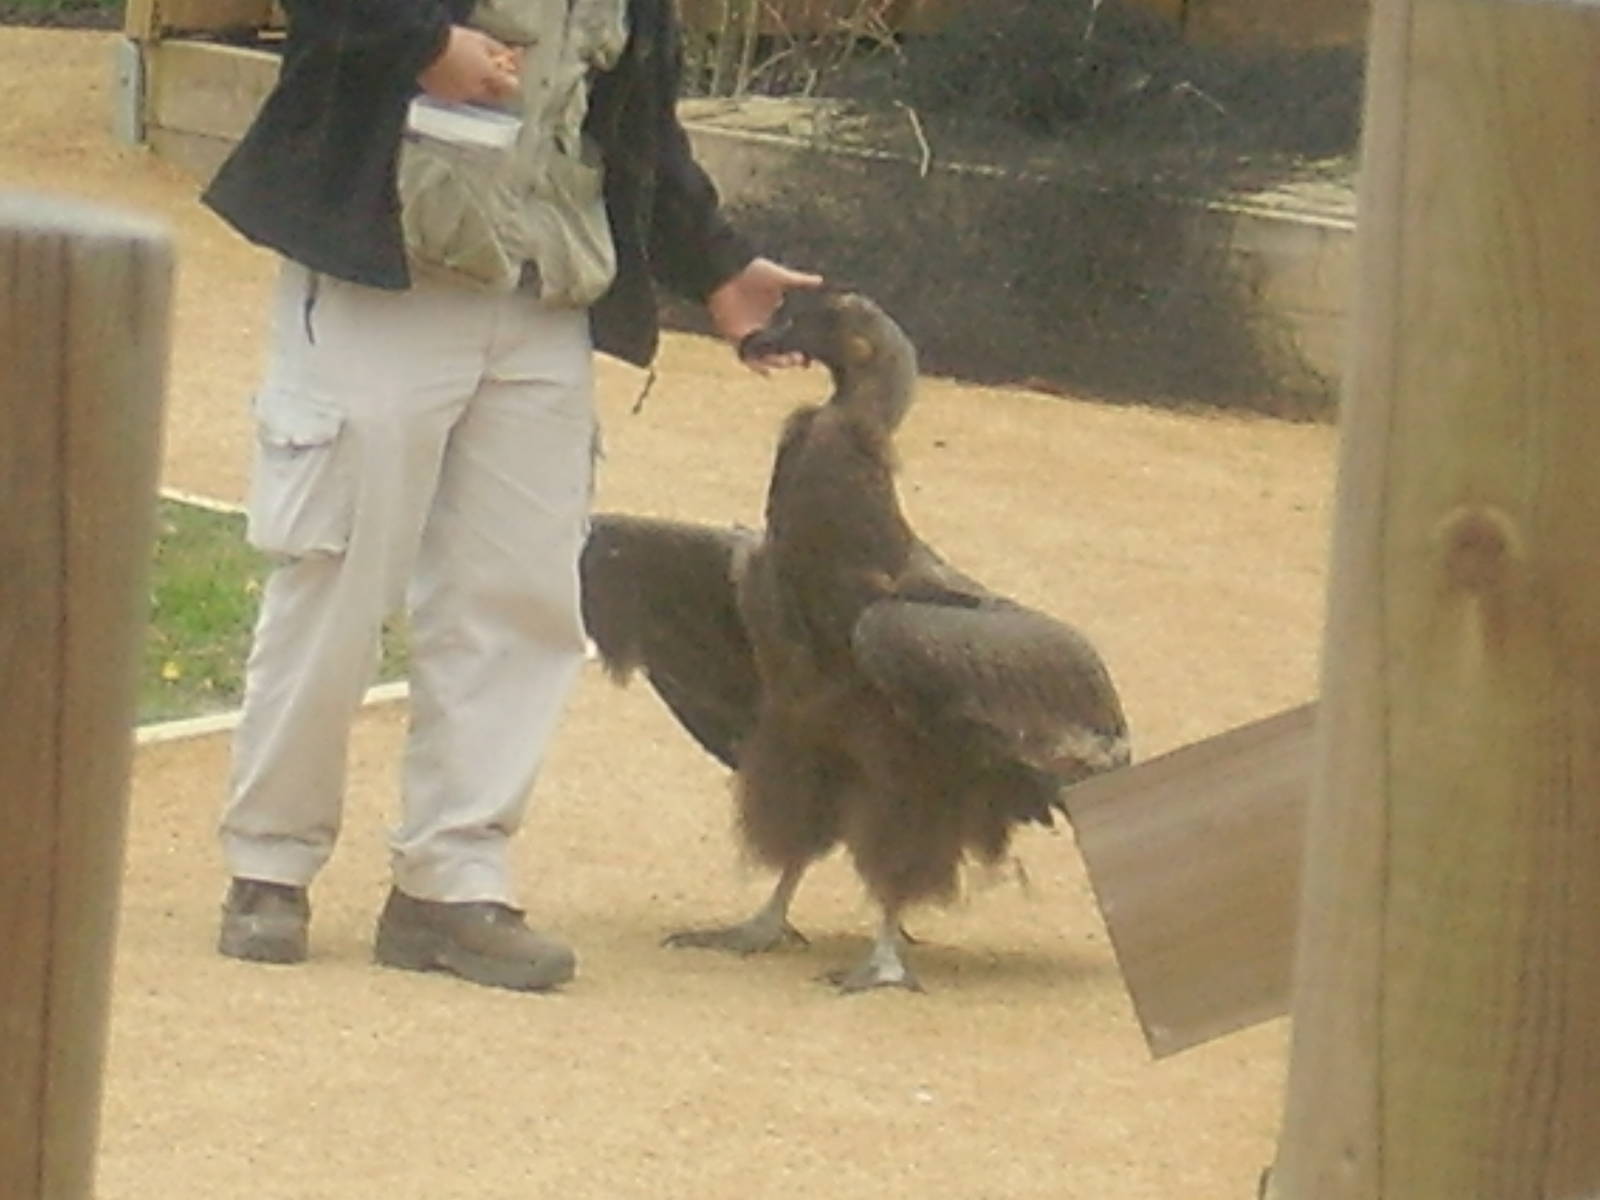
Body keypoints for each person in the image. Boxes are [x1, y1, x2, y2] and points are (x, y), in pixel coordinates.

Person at [202, 0, 821, 992]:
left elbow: (632, 118)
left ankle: (451, 885)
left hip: (543, 296)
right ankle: (269, 866)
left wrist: (715, 266)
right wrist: (424, 46)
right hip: (383, 273)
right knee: (340, 574)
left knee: (522, 596)